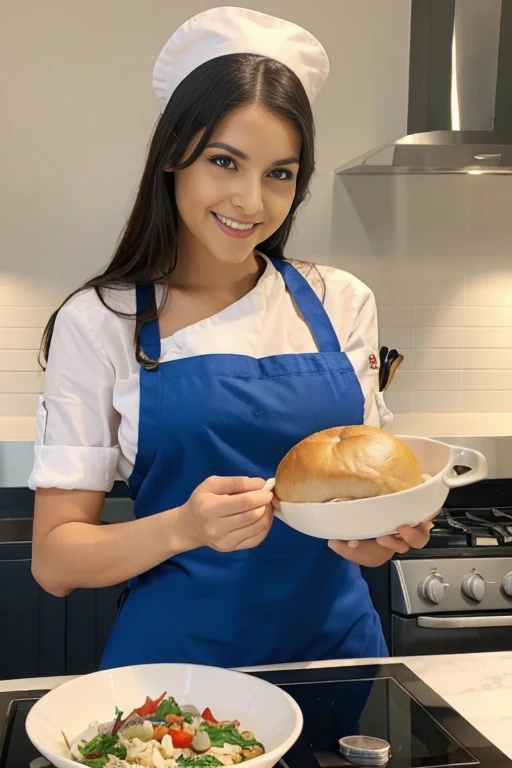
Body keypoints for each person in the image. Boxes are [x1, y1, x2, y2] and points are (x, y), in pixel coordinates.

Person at [29, 6, 432, 670]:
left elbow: (357, 536)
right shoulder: (100, 321)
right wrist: (184, 528)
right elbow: (55, 562)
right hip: (175, 677)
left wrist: (382, 535)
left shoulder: (341, 303)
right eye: (225, 161)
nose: (252, 201)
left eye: (280, 172)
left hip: (333, 660)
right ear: (172, 158)